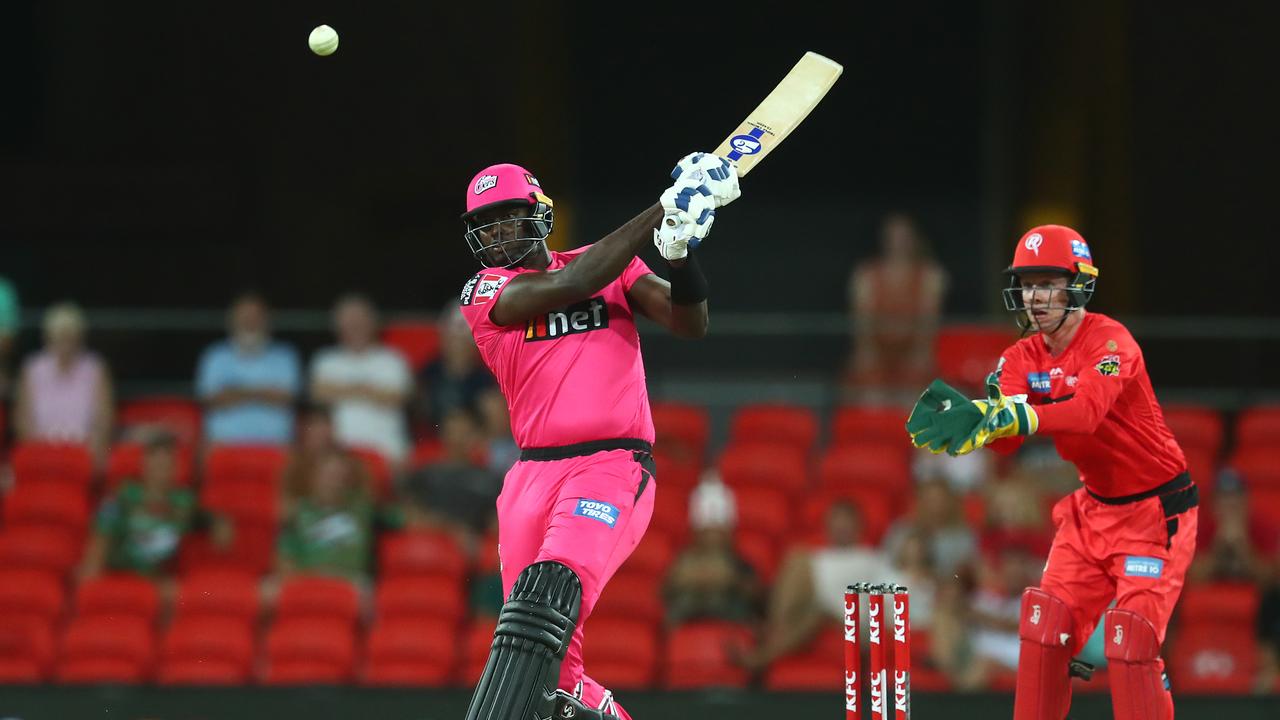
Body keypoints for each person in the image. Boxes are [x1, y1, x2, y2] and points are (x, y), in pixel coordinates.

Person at [457, 155, 731, 720]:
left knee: (550, 591)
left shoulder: (613, 268)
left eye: (509, 217)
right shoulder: (482, 291)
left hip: (610, 465)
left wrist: (679, 253)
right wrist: (666, 205)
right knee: (539, 659)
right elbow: (574, 283)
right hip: (530, 477)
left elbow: (691, 324)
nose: (500, 233)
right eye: (488, 225)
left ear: (539, 216)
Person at [907, 225, 1199, 718]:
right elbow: (1011, 442)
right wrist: (980, 422)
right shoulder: (1020, 356)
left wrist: (1018, 415)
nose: (1035, 296)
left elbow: (1086, 414)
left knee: (1131, 643)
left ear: (1078, 284)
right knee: (1043, 629)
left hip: (1154, 515)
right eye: (1027, 283)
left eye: (1048, 282)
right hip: (1090, 513)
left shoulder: (1112, 343)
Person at [735, 500, 891, 673]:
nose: (841, 527)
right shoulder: (819, 556)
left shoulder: (871, 558)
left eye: (846, 522)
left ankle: (768, 636)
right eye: (836, 521)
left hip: (850, 617)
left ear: (859, 526)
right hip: (813, 608)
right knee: (811, 604)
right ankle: (762, 655)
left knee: (798, 561)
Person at [78, 434, 198, 601]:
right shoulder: (121, 496)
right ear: (144, 464)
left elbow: (206, 524)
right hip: (120, 572)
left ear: (176, 468)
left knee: (179, 594)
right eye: (156, 462)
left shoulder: (184, 502)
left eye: (166, 464)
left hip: (157, 579)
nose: (161, 469)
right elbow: (101, 536)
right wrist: (91, 573)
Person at [845, 213, 947, 403]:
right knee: (869, 394)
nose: (898, 243)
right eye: (893, 237)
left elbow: (929, 324)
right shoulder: (866, 275)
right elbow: (862, 323)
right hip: (877, 352)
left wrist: (921, 353)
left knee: (915, 395)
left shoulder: (931, 276)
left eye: (903, 237)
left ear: (914, 239)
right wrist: (867, 352)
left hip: (913, 351)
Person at [310, 294, 413, 465]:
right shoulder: (326, 360)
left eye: (360, 319)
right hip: (339, 455)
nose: (355, 325)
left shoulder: (393, 359)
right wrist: (369, 390)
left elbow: (397, 398)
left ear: (373, 323)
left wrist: (342, 389)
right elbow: (318, 393)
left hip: (387, 450)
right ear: (338, 325)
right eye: (349, 320)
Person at [196, 293, 301, 445]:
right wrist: (262, 392)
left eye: (256, 317)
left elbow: (286, 398)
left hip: (275, 446)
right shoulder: (215, 356)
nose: (250, 322)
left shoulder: (285, 356)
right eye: (244, 316)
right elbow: (212, 399)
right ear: (232, 320)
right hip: (224, 445)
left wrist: (235, 391)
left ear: (267, 320)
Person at [13, 303, 113, 463]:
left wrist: (90, 456)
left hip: (83, 453)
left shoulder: (94, 368)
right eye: (60, 337)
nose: (65, 345)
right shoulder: (32, 368)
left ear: (79, 338)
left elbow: (103, 421)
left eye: (70, 338)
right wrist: (39, 455)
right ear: (48, 338)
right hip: (42, 453)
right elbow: (23, 422)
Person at [662, 478, 760, 627]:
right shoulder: (683, 561)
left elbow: (757, 596)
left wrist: (732, 579)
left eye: (718, 531)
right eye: (707, 532)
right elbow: (664, 592)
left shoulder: (740, 564)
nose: (712, 538)